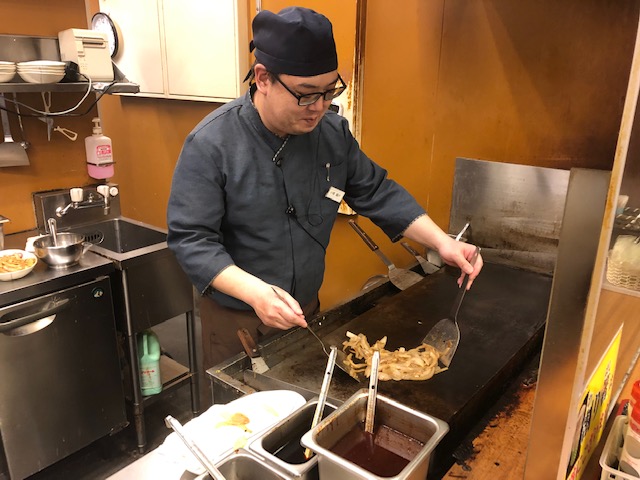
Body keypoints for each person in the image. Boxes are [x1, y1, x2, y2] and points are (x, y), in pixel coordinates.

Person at [167, 6, 483, 370]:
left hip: (305, 310)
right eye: (305, 94)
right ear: (263, 78)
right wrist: (256, 293)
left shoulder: (332, 134)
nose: (318, 107)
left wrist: (443, 242)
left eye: (329, 91)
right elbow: (191, 239)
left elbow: (377, 191)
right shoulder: (212, 144)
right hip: (237, 320)